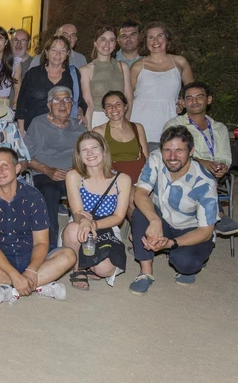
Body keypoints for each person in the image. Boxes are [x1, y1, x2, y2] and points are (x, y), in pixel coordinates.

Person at [0, 148, 75, 303]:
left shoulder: (33, 196)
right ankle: (39, 285)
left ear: (17, 169)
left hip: (32, 254)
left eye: (5, 165)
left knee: (69, 255)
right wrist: (15, 276)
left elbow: (41, 242)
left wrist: (32, 269)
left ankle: (12, 288)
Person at [128, 126, 217, 295]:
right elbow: (140, 193)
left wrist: (172, 243)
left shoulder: (205, 182)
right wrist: (154, 220)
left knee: (185, 263)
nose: (172, 156)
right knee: (141, 213)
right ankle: (146, 273)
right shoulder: (155, 159)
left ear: (191, 151)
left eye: (179, 150)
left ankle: (193, 255)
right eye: (167, 150)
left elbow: (205, 230)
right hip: (164, 220)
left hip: (192, 228)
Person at [164, 82, 238, 234]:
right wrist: (200, 162)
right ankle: (218, 214)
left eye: (200, 97)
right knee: (196, 168)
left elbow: (224, 156)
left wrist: (222, 166)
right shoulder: (174, 125)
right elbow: (171, 156)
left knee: (206, 172)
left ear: (209, 100)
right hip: (180, 172)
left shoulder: (219, 128)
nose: (194, 101)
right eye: (189, 98)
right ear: (183, 103)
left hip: (213, 174)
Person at [62, 132, 132, 290]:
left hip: (107, 226)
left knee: (104, 270)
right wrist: (85, 222)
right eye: (84, 150)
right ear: (79, 155)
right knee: (74, 228)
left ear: (104, 151)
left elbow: (119, 216)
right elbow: (77, 211)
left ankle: (93, 264)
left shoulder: (122, 180)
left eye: (94, 148)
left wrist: (93, 224)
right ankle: (78, 268)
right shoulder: (74, 176)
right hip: (79, 224)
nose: (90, 153)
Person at [25, 86, 87, 247]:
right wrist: (48, 170)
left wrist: (76, 170)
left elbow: (87, 155)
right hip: (45, 175)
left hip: (74, 175)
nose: (62, 104)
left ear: (72, 104)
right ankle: (50, 246)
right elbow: (25, 157)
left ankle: (81, 238)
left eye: (67, 99)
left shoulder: (79, 125)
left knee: (85, 193)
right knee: (49, 193)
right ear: (49, 105)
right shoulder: (38, 123)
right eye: (57, 100)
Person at [130, 21, 194, 149]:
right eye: (151, 37)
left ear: (167, 38)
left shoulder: (180, 62)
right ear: (145, 41)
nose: (156, 41)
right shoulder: (137, 66)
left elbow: (193, 92)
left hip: (169, 121)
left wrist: (182, 101)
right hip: (140, 122)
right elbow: (127, 98)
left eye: (160, 35)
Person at [16, 35, 86, 133]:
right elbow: (21, 105)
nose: (58, 54)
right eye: (54, 50)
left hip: (63, 131)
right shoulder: (33, 74)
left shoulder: (72, 74)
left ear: (67, 53)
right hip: (34, 131)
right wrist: (22, 131)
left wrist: (80, 114)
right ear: (46, 52)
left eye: (62, 50)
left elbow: (79, 101)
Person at [80, 26, 132, 129]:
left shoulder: (123, 67)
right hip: (97, 118)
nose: (107, 44)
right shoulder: (86, 70)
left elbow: (128, 98)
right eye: (103, 39)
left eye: (111, 40)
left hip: (119, 117)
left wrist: (126, 121)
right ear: (95, 43)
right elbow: (88, 103)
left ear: (115, 44)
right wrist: (89, 129)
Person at [93, 91, 149, 184]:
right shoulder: (99, 131)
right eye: (109, 106)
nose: (114, 108)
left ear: (125, 107)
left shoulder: (138, 128)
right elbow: (97, 163)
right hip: (114, 181)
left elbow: (146, 158)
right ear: (104, 110)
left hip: (140, 179)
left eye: (118, 104)